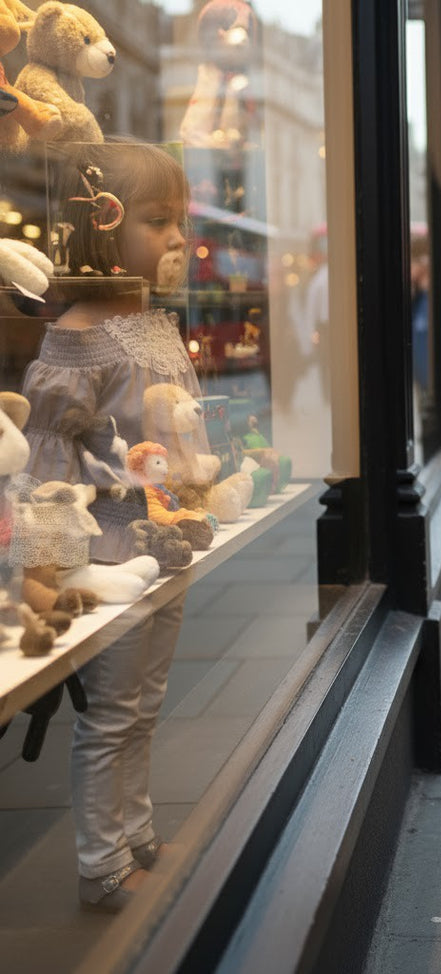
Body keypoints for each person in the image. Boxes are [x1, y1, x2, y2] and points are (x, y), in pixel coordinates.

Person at [19, 139, 204, 912]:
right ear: (106, 225)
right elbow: (47, 460)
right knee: (112, 711)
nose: (175, 240)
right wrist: (51, 564)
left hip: (165, 539)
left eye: (179, 222)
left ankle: (135, 830)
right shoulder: (80, 335)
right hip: (113, 548)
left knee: (146, 701)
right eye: (159, 222)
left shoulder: (151, 325)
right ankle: (101, 859)